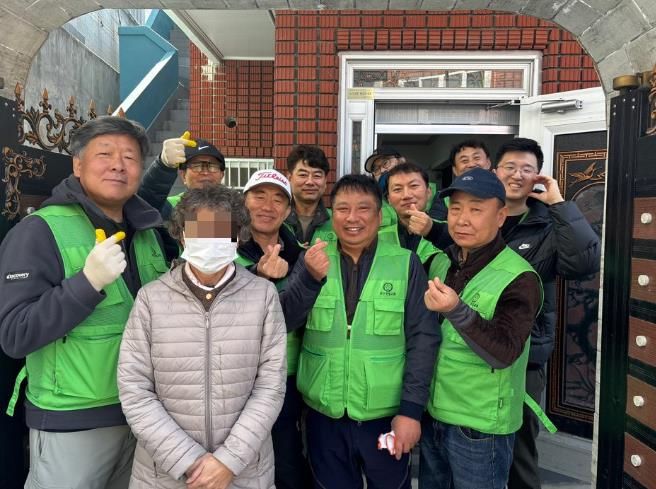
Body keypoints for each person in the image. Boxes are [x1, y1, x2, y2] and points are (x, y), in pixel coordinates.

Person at [0, 116, 168, 489]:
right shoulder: (40, 230)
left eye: (130, 157)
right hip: (72, 420)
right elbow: (15, 334)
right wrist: (87, 284)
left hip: (143, 416)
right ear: (78, 165)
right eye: (104, 154)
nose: (118, 165)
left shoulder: (147, 232)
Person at [118, 186, 287, 489]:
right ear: (182, 235)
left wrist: (228, 461)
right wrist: (189, 462)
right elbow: (134, 389)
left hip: (244, 471)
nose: (211, 240)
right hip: (164, 475)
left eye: (222, 231)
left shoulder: (263, 296)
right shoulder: (151, 299)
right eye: (200, 231)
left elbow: (270, 387)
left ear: (238, 236)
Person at [291, 174, 440, 489]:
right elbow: (286, 320)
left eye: (363, 208)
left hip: (386, 418)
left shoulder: (405, 263)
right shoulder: (312, 259)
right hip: (324, 416)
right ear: (332, 215)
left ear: (379, 215)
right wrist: (308, 279)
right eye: (343, 209)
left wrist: (411, 411)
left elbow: (424, 339)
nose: (352, 218)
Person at [420, 167, 542, 489]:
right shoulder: (441, 262)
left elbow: (504, 353)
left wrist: (456, 310)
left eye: (476, 210)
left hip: (479, 428)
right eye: (456, 209)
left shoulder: (519, 277)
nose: (462, 219)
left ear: (500, 216)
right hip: (434, 414)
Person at [493, 138, 601, 489]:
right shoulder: (478, 217)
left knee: (520, 447)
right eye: (510, 167)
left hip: (524, 357)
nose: (517, 175)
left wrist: (558, 202)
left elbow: (585, 263)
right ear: (495, 172)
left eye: (527, 169)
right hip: (473, 349)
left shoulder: (548, 225)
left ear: (538, 177)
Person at [236, 169, 326, 489]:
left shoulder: (303, 256)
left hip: (287, 380)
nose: (267, 206)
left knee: (288, 464)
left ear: (288, 210)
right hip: (235, 378)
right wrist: (259, 278)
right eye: (259, 196)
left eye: (278, 200)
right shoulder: (223, 249)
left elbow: (291, 320)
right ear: (244, 202)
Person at [138, 133, 225, 221]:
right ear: (183, 175)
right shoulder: (171, 207)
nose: (205, 172)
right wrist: (163, 166)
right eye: (197, 166)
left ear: (222, 175)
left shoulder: (231, 206)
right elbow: (142, 210)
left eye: (212, 166)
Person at [382, 162, 445, 264]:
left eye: (414, 186)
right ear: (389, 199)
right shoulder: (376, 239)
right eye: (397, 189)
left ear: (428, 192)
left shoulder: (451, 232)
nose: (406, 195)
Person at [284, 144, 334, 245]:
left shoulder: (338, 220)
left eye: (317, 175)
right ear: (289, 178)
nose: (310, 182)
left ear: (325, 181)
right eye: (303, 175)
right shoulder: (277, 219)